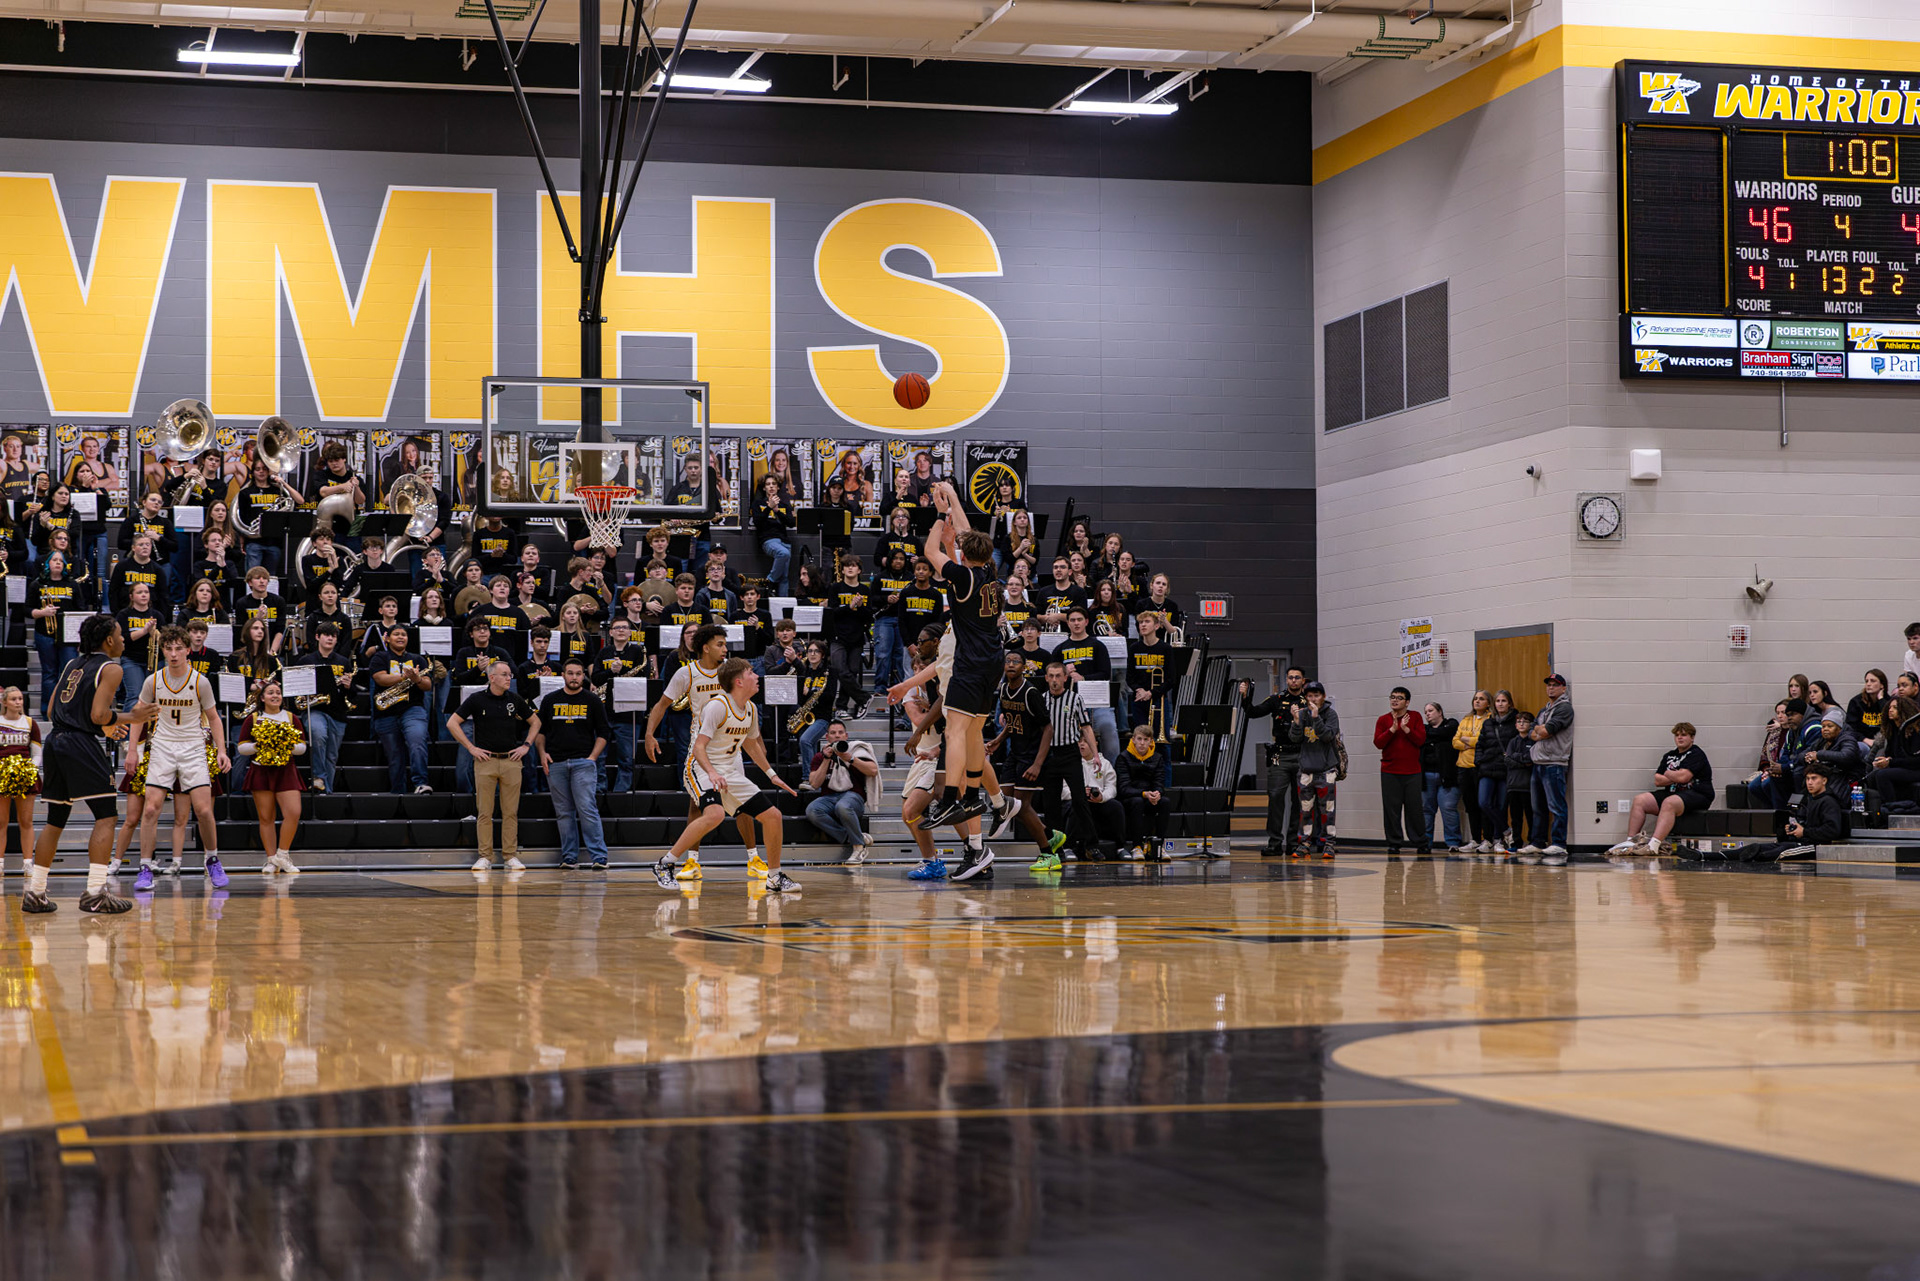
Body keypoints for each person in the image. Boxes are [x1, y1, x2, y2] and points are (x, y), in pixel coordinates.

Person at [21, 616, 157, 915]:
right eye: (120, 634)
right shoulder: (112, 668)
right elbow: (98, 715)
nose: (123, 639)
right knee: (107, 815)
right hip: (80, 744)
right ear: (108, 640)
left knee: (56, 820)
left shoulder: (72, 664)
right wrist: (131, 717)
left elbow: (52, 708)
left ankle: (35, 893)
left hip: (56, 741)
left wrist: (103, 725)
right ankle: (96, 892)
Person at [912, 481, 1011, 878]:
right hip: (993, 663)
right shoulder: (990, 572)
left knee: (954, 731)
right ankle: (980, 798)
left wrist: (940, 515)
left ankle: (952, 798)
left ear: (966, 555)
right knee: (970, 734)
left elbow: (929, 551)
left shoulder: (963, 576)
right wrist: (953, 497)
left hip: (970, 665)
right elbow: (970, 536)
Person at [653, 658, 800, 892]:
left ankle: (774, 877)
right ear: (739, 681)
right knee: (715, 814)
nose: (757, 676)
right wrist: (711, 773)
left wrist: (771, 774)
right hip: (700, 767)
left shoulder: (750, 708)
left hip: (728, 771)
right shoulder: (717, 706)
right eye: (751, 673)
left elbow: (751, 745)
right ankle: (665, 863)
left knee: (773, 816)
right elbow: (699, 747)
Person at [129, 626, 230, 889]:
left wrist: (221, 750)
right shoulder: (153, 680)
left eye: (178, 649)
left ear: (187, 650)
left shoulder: (201, 681)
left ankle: (212, 859)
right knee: (151, 808)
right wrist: (131, 750)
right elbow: (138, 716)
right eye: (168, 649)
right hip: (162, 745)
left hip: (193, 746)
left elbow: (214, 718)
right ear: (163, 651)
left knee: (204, 810)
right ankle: (145, 867)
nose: (173, 654)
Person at [450, 660, 540, 874]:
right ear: (492, 677)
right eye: (505, 674)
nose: (509, 678)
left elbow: (536, 722)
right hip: (485, 761)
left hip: (511, 761)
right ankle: (485, 856)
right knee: (484, 812)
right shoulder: (476, 699)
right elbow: (452, 723)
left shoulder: (515, 699)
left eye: (510, 674)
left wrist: (526, 746)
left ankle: (510, 855)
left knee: (511, 812)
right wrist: (471, 748)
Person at [536, 659, 611, 869]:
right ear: (563, 675)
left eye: (578, 673)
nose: (575, 677)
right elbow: (540, 732)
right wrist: (542, 754)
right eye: (570, 673)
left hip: (583, 763)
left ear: (583, 676)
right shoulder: (550, 700)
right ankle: (569, 857)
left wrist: (592, 758)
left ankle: (599, 857)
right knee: (564, 812)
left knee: (587, 809)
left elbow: (604, 732)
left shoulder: (592, 700)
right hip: (556, 763)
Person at [1610, 722, 1714, 857]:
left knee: (1669, 802)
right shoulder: (1669, 755)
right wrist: (1676, 775)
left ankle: (1653, 846)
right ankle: (1630, 842)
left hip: (1698, 794)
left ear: (1692, 737)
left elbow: (1683, 777)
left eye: (1683, 735)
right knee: (1640, 800)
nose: (1680, 738)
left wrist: (1668, 773)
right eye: (1677, 735)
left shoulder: (1696, 753)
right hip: (1674, 793)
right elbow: (1658, 781)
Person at [1241, 668, 1308, 856]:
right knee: (1276, 798)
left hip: (1302, 754)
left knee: (1300, 801)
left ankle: (1294, 842)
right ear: (1286, 679)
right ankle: (1275, 843)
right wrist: (1245, 696)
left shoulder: (1308, 701)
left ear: (1303, 681)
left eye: (1297, 678)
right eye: (1290, 677)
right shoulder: (1276, 699)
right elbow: (1253, 712)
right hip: (1281, 755)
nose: (1293, 681)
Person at [368, 623, 433, 794]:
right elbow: (380, 679)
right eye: (396, 634)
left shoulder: (418, 659)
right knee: (395, 757)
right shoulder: (380, 657)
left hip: (413, 709)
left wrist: (417, 679)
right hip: (386, 713)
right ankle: (398, 794)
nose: (400, 637)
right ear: (388, 638)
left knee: (417, 742)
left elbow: (427, 685)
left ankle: (421, 783)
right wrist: (404, 677)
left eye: (404, 634)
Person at [804, 719, 880, 862]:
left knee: (842, 806)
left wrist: (851, 759)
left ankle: (859, 847)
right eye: (833, 733)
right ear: (827, 737)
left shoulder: (856, 751)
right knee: (812, 810)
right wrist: (826, 759)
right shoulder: (820, 756)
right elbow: (814, 783)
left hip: (853, 797)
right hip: (829, 797)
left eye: (840, 732)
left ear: (846, 736)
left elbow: (873, 770)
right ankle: (854, 836)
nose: (837, 736)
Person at [291, 621, 354, 792]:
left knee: (331, 755)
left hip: (337, 712)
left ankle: (326, 792)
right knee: (318, 736)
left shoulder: (344, 662)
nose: (330, 639)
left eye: (333, 636)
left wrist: (349, 686)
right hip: (314, 710)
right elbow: (295, 689)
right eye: (326, 635)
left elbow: (352, 695)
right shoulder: (305, 661)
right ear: (317, 637)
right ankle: (318, 777)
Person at [1055, 607, 1119, 760]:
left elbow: (1105, 674)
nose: (1076, 623)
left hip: (1097, 701)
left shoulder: (1098, 646)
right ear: (1067, 623)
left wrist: (1083, 678)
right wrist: (1064, 673)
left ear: (1086, 622)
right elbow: (1053, 679)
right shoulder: (1060, 649)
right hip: (1070, 702)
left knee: (1108, 728)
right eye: (1072, 620)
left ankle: (1111, 770)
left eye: (1079, 619)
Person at [28, 551, 86, 716]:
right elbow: (27, 610)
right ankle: (48, 711)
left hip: (69, 636)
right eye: (54, 560)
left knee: (69, 674)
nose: (58, 563)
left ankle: (67, 711)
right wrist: (42, 613)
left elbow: (81, 610)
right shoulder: (37, 584)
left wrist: (80, 638)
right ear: (47, 564)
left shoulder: (72, 584)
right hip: (45, 634)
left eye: (61, 560)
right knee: (49, 674)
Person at [1374, 686, 1428, 857]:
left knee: (1415, 809)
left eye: (1399, 698)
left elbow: (1421, 740)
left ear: (1407, 702)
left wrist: (1406, 730)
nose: (1395, 700)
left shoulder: (1415, 717)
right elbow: (1378, 743)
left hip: (1412, 772)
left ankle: (1420, 842)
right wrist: (1392, 730)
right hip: (1390, 771)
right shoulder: (1383, 719)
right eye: (1392, 697)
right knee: (1391, 810)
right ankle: (1394, 843)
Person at [1290, 681, 1340, 859]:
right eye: (1310, 696)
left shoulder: (1330, 714)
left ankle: (1329, 844)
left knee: (1328, 809)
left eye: (1316, 695)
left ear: (1323, 697)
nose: (1313, 699)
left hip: (1326, 770)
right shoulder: (1302, 714)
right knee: (1305, 810)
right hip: (1306, 770)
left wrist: (1316, 717)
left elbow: (1327, 736)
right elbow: (1295, 739)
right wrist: (1296, 721)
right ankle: (1304, 843)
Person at [1528, 674, 1575, 863]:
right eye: (1549, 685)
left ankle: (1559, 843)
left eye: (1555, 685)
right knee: (1538, 807)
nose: (1551, 688)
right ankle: (1538, 841)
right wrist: (1540, 730)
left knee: (1556, 805)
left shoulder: (1564, 708)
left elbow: (1547, 731)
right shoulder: (1545, 709)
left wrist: (1541, 730)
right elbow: (1532, 732)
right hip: (1538, 762)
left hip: (1555, 763)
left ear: (1563, 688)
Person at [0, 686, 42, 879]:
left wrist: (29, 770)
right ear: (4, 702)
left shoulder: (30, 723)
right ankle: (0, 864)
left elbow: (37, 753)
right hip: (2, 775)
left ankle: (27, 864)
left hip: (25, 775)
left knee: (26, 821)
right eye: (13, 699)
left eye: (20, 699)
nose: (18, 702)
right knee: (1, 822)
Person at [1473, 691, 1520, 854]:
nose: (1500, 704)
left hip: (1505, 769)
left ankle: (1497, 840)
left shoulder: (1515, 722)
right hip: (1487, 767)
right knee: (1484, 802)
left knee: (1501, 806)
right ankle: (1505, 830)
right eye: (1498, 701)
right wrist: (1479, 760)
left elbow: (1518, 743)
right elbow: (1480, 744)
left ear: (1509, 704)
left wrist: (1511, 759)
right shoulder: (1488, 723)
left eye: (1504, 701)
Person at [1117, 722, 1171, 861]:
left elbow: (1159, 782)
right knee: (1137, 802)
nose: (1142, 743)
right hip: (1130, 797)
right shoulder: (1123, 757)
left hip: (1148, 796)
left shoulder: (1157, 758)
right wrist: (1144, 793)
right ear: (1133, 739)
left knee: (1165, 802)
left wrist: (1157, 793)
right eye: (1139, 739)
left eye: (1145, 740)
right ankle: (1137, 846)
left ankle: (1159, 846)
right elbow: (1123, 788)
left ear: (1151, 741)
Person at [1451, 691, 1491, 852]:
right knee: (1470, 805)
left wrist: (1468, 740)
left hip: (1480, 766)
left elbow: (1485, 741)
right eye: (1475, 699)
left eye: (1481, 699)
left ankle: (1487, 839)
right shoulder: (1466, 719)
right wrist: (1469, 743)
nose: (1477, 701)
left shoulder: (1490, 720)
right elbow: (1455, 741)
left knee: (1483, 804)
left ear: (1488, 703)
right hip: (1463, 767)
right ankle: (1475, 839)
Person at [1420, 701, 1461, 853]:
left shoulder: (1451, 724)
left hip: (1448, 775)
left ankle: (1453, 842)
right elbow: (1424, 737)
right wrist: (1437, 736)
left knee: (1448, 808)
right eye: (1426, 712)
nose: (1427, 714)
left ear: (1440, 712)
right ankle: (1425, 843)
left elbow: (1446, 733)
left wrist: (1432, 736)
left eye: (1430, 710)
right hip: (1427, 775)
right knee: (1426, 810)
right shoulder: (1424, 729)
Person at [1078, 737, 1128, 856]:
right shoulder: (1072, 764)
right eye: (1079, 741)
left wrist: (1102, 797)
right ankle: (1068, 847)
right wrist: (1079, 793)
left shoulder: (1105, 764)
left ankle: (1120, 847)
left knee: (1116, 806)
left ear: (1095, 743)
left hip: (1099, 802)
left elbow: (1112, 787)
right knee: (1074, 805)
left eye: (1085, 741)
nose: (1081, 744)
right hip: (1079, 801)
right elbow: (1063, 790)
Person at [1867, 695, 1920, 805]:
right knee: (1871, 777)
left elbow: (1915, 761)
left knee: (1882, 775)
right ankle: (1878, 807)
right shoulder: (1892, 731)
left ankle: (1892, 807)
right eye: (1890, 707)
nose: (1890, 710)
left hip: (1915, 769)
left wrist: (1890, 762)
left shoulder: (1915, 731)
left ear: (1904, 710)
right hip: (1901, 767)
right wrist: (1884, 760)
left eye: (1895, 708)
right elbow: (1891, 755)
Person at [751, 474, 794, 595]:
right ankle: (770, 580)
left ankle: (783, 605)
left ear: (778, 487)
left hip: (785, 541)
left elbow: (791, 523)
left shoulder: (784, 505)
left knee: (784, 577)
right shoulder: (758, 503)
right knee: (783, 553)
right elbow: (757, 522)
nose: (771, 487)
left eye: (774, 484)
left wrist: (777, 511)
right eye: (768, 484)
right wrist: (769, 507)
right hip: (769, 540)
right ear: (764, 488)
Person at [1502, 711, 1534, 855]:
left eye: (1525, 721)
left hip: (1528, 786)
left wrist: (1516, 757)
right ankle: (1516, 842)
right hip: (1513, 785)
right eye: (1519, 721)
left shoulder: (1533, 741)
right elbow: (1507, 760)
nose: (1521, 724)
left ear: (1531, 724)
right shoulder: (1512, 741)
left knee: (1531, 815)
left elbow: (1531, 759)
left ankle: (1532, 841)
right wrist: (1522, 762)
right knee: (1515, 818)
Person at [1847, 670, 1889, 743]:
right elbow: (1850, 728)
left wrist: (1881, 700)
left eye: (1873, 681)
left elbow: (1890, 720)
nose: (1868, 684)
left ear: (1882, 685)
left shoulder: (1889, 701)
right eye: (1867, 681)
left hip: (1884, 741)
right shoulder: (1856, 702)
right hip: (1862, 741)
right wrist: (1865, 740)